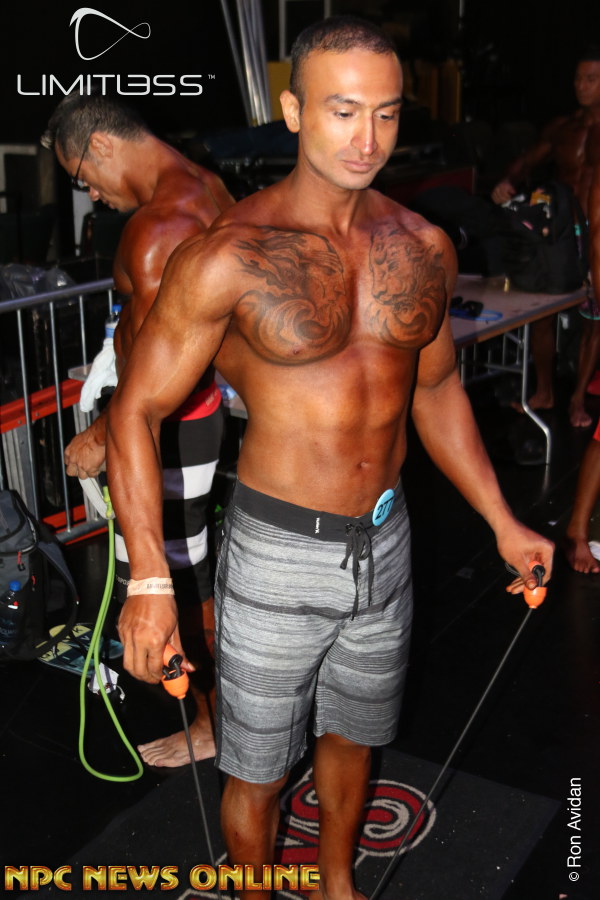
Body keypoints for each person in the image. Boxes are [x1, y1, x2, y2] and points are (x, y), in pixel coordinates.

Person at [107, 17, 554, 900]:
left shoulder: (423, 245)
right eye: (343, 111)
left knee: (354, 738)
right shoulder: (227, 254)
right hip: (277, 553)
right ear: (293, 112)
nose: (367, 138)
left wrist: (502, 520)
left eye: (385, 113)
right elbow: (137, 410)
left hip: (385, 546)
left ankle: (339, 883)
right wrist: (149, 581)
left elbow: (436, 390)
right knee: (258, 771)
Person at [41, 93, 234, 766]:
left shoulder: (158, 228)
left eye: (83, 176)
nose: (92, 193)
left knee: (171, 578)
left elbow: (160, 364)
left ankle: (214, 725)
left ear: (100, 144)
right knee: (189, 569)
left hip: (162, 426)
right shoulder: (206, 186)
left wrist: (104, 431)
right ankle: (220, 720)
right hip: (184, 416)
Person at [491, 49, 600, 428]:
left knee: (594, 318)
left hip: (597, 233)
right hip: (562, 235)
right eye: (578, 79)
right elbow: (527, 161)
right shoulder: (563, 129)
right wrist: (507, 181)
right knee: (543, 310)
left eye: (590, 79)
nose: (581, 86)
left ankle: (577, 399)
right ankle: (544, 391)